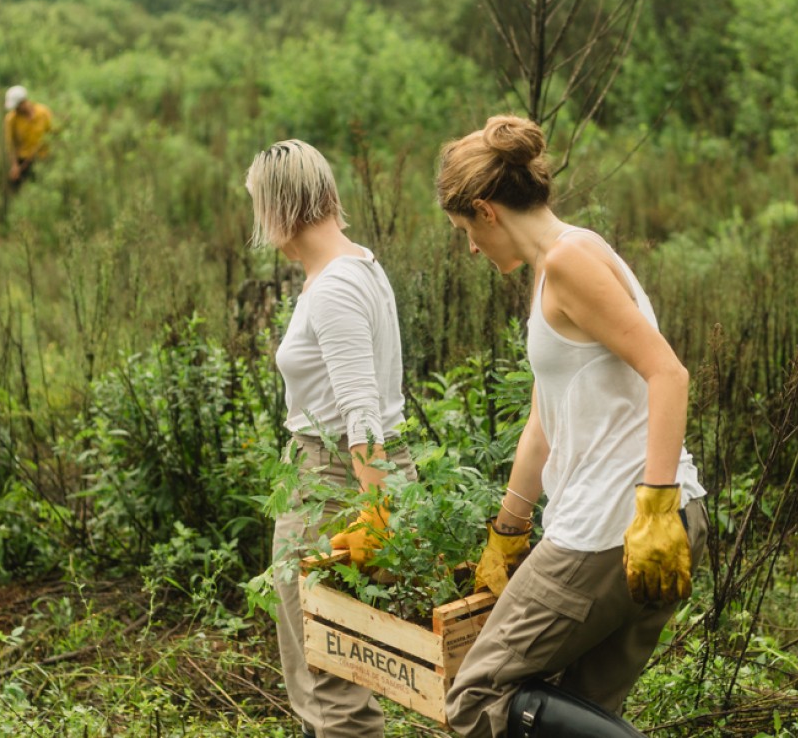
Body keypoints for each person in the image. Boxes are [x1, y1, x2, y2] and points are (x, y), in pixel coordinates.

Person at [437, 116, 707, 738]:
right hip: (634, 524)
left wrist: (656, 509)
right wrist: (508, 529)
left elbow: (668, 373)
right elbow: (544, 418)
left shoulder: (570, 261)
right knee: (583, 705)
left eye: (464, 233)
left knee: (476, 698)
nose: (471, 250)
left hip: (618, 526)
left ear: (486, 210)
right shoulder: (558, 266)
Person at [249, 139, 414, 738]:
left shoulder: (337, 285)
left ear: (277, 208)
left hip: (336, 484)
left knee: (329, 684)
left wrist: (375, 514)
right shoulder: (356, 266)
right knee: (339, 671)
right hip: (353, 476)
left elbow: (360, 412)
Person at [2, 85, 54, 192]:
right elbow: (10, 144)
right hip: (23, 161)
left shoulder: (43, 112)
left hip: (43, 158)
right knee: (16, 189)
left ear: (24, 102)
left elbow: (52, 133)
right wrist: (15, 166)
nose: (15, 110)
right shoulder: (10, 119)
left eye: (17, 106)